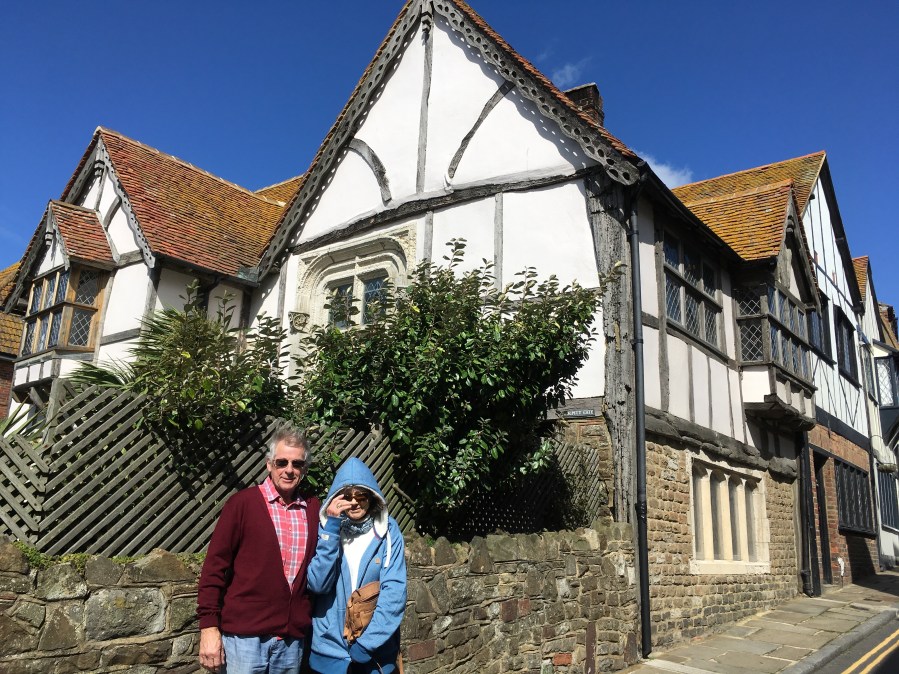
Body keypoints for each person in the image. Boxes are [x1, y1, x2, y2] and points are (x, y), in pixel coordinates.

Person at [197, 422, 320, 674]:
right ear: (269, 464)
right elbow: (214, 568)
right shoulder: (242, 504)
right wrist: (209, 627)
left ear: (304, 469)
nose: (289, 470)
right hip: (244, 640)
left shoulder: (313, 510)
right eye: (281, 462)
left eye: (297, 464)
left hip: (290, 642)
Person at [307, 458, 407, 674]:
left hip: (374, 654)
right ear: (336, 497)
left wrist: (369, 642)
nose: (354, 502)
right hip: (329, 651)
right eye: (347, 496)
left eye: (361, 495)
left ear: (372, 497)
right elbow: (318, 585)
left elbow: (395, 591)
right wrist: (331, 528)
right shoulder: (325, 529)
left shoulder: (388, 532)